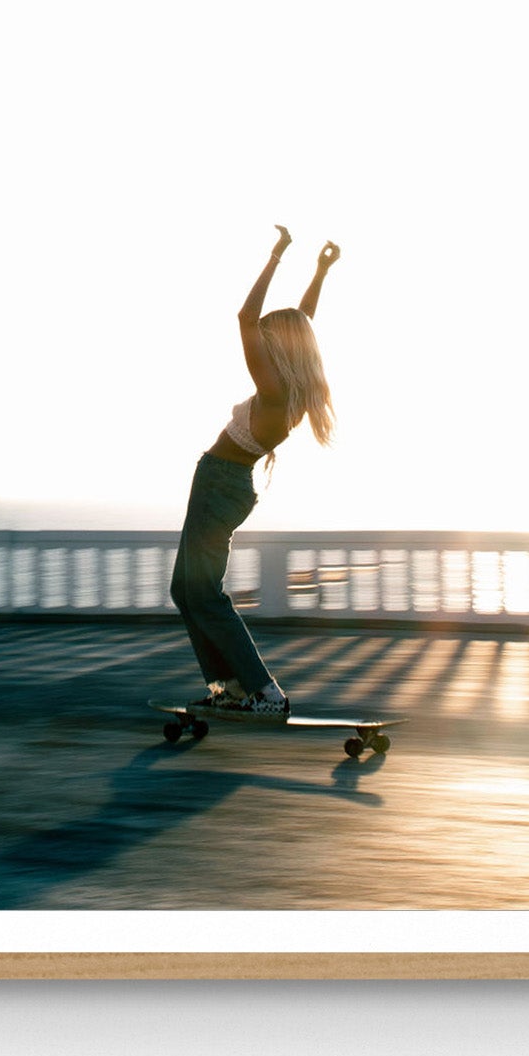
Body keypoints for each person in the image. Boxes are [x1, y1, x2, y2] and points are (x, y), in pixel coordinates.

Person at [169, 225, 340, 719]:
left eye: (271, 336)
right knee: (186, 591)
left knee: (204, 594)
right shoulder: (289, 388)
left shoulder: (274, 391)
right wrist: (320, 272)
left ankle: (263, 691)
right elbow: (302, 321)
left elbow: (245, 317)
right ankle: (227, 687)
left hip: (219, 483)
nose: (262, 337)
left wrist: (275, 255)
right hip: (223, 484)